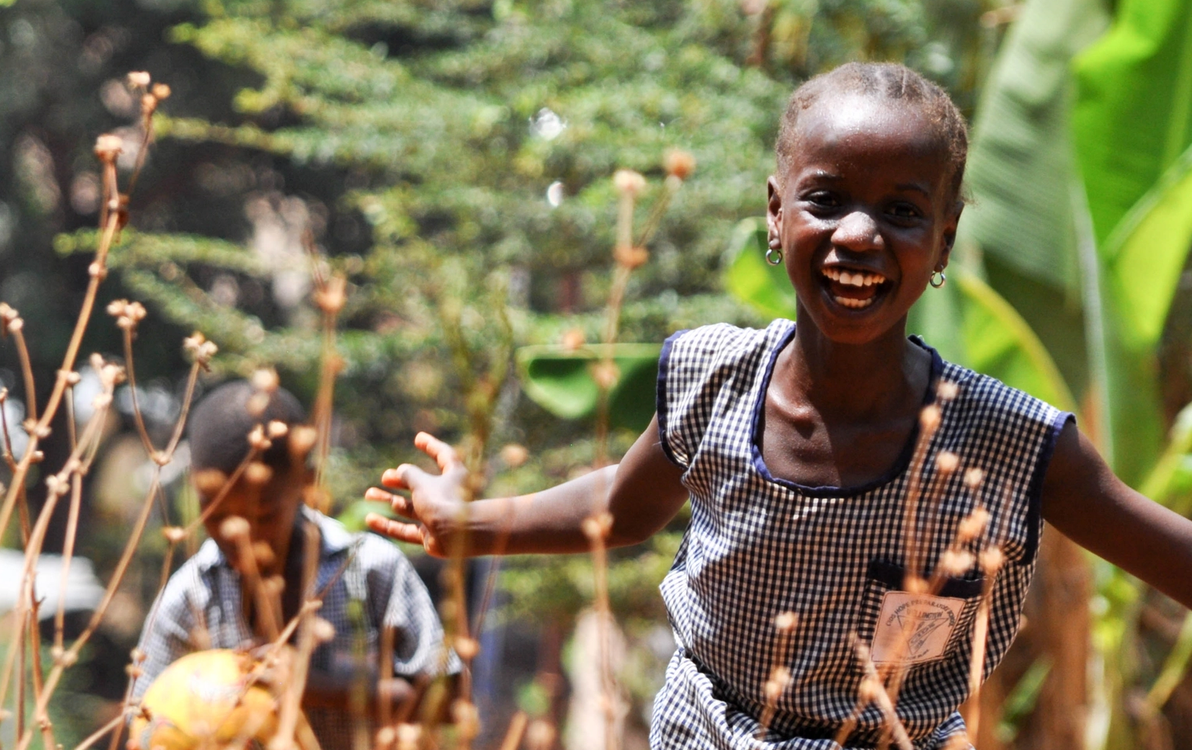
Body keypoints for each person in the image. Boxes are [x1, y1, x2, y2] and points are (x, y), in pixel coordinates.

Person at [364, 62, 1192, 748]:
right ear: (775, 212)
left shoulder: (1011, 445)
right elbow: (622, 506)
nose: (859, 236)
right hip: (702, 732)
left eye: (902, 211)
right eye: (827, 200)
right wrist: (466, 523)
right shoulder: (712, 379)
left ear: (943, 239)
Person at [132, 380, 456, 749]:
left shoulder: (368, 569)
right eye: (215, 513)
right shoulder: (190, 595)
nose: (239, 535)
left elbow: (450, 700)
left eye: (263, 515)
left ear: (305, 482)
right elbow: (142, 720)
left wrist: (316, 688)